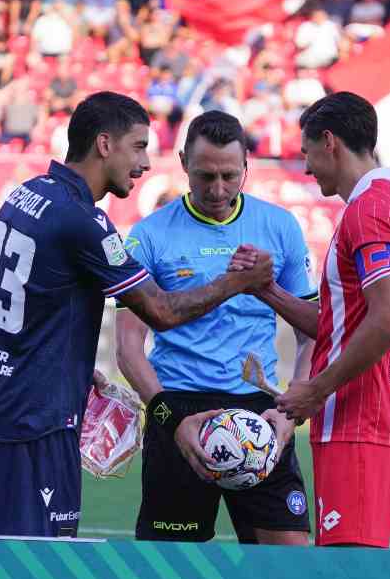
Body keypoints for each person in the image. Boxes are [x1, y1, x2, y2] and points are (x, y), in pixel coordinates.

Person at [0, 92, 274, 538]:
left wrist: (67, 363)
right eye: (140, 146)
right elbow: (161, 312)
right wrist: (236, 282)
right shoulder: (85, 220)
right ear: (105, 145)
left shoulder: (24, 196)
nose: (145, 164)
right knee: (36, 570)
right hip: (37, 426)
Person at [116, 110, 316, 545]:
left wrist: (289, 412)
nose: (218, 189)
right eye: (206, 176)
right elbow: (128, 347)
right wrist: (168, 418)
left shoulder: (279, 227)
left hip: (261, 411)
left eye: (230, 175)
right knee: (169, 571)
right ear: (184, 161)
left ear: (247, 166)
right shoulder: (149, 235)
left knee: (288, 562)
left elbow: (311, 335)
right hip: (181, 406)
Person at [234, 92, 390, 548]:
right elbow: (344, 322)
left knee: (348, 574)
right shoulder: (389, 202)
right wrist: (268, 289)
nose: (307, 167)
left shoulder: (369, 211)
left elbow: (389, 318)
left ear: (330, 142)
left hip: (361, 422)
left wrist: (317, 389)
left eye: (307, 153)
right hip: (373, 417)